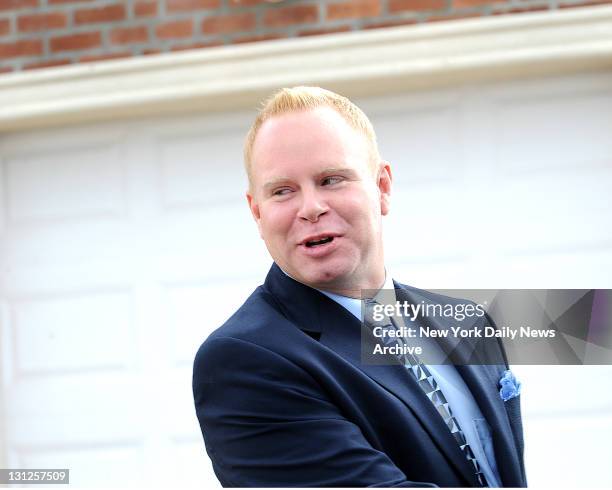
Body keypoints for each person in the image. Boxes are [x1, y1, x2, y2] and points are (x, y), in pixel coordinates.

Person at [192, 86, 526, 487]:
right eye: (283, 191)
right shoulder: (243, 361)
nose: (311, 207)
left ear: (382, 186)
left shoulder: (468, 324)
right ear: (257, 212)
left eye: (331, 179)